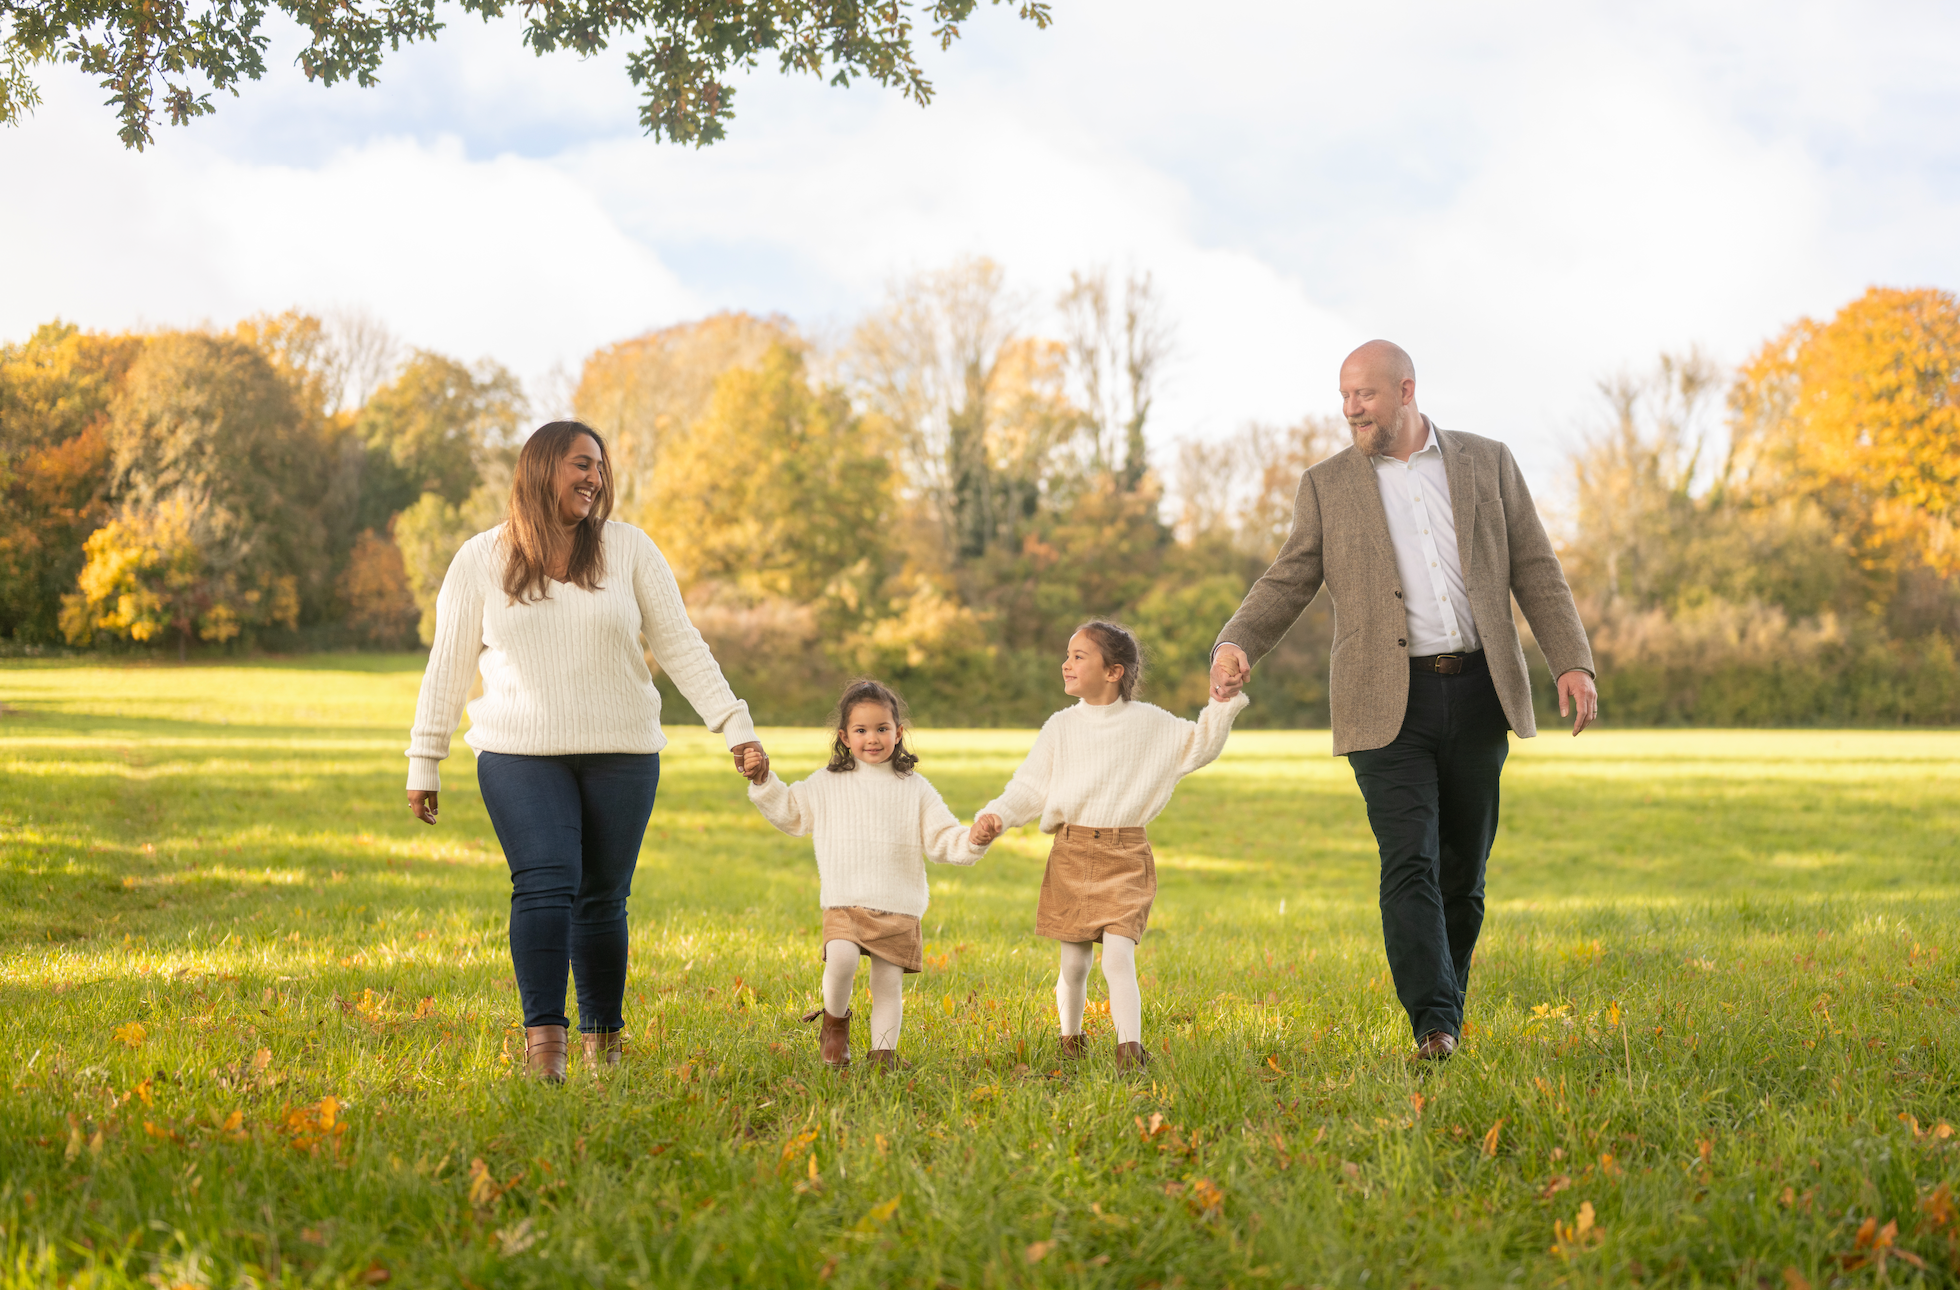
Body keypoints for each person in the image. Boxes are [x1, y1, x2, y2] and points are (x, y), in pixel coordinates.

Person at [1210, 340, 1597, 1061]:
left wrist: (1571, 661)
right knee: (1408, 860)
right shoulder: (1327, 485)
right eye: (1344, 396)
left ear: (1407, 391)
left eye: (1365, 395)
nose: (1351, 408)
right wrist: (1237, 642)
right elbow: (1288, 577)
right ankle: (1435, 1025)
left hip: (1481, 690)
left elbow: (1536, 564)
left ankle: (1445, 1005)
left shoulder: (1489, 461)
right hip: (1384, 700)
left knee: (1463, 870)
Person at [404, 420, 768, 1083]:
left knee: (602, 896)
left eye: (598, 466)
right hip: (519, 752)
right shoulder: (479, 559)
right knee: (545, 883)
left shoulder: (629, 550)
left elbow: (680, 643)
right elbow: (447, 665)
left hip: (622, 751)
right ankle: (546, 1048)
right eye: (580, 464)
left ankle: (605, 1042)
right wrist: (424, 757)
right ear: (542, 470)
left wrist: (734, 724)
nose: (593, 477)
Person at [970, 621, 1248, 1071]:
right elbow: (1029, 786)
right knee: (1074, 963)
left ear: (1114, 671)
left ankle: (1129, 1052)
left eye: (1079, 656)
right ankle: (1070, 1040)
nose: (1067, 663)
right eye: (1068, 654)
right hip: (1071, 852)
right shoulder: (1061, 727)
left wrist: (1222, 702)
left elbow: (1199, 745)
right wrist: (997, 816)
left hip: (1125, 855)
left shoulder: (1150, 724)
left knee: (1117, 957)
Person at [741, 678, 987, 1071]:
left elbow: (943, 838)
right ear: (844, 736)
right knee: (841, 960)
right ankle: (834, 1025)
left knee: (887, 985)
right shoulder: (827, 784)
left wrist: (973, 839)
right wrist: (763, 780)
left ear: (898, 732)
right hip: (845, 901)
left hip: (898, 904)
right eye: (861, 730)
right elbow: (791, 812)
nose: (872, 738)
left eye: (882, 729)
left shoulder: (916, 789)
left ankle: (883, 1054)